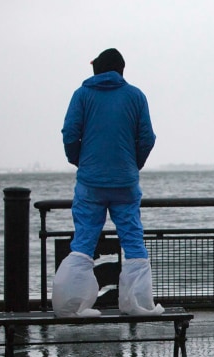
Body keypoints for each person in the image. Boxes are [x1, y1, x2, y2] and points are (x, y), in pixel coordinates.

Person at [53, 48, 163, 317]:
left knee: (84, 241)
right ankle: (137, 304)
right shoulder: (136, 96)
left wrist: (80, 161)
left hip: (91, 182)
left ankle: (72, 305)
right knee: (134, 241)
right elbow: (147, 138)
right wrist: (132, 164)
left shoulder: (82, 96)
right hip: (125, 182)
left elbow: (70, 134)